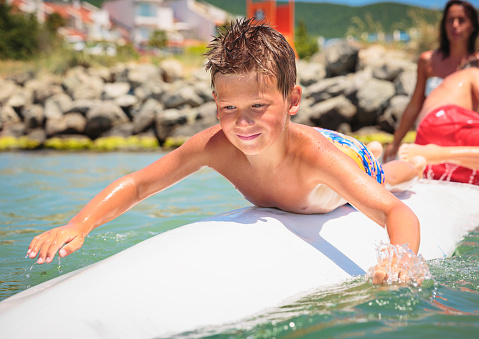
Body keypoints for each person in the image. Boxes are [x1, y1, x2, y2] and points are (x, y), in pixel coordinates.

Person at [27, 18, 425, 285]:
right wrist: (79, 224)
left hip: (345, 154)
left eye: (258, 106)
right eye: (229, 109)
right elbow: (138, 184)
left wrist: (399, 258)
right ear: (216, 103)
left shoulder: (315, 158)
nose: (243, 122)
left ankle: (418, 159)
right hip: (302, 138)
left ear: (292, 99)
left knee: (389, 176)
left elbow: (394, 211)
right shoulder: (216, 146)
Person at [384, 0, 479, 162]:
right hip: (430, 134)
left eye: (461, 20)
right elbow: (415, 103)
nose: (455, 25)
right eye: (450, 20)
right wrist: (395, 142)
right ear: (443, 24)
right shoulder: (428, 60)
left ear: (473, 26)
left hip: (462, 136)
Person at [398, 67, 479, 190]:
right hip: (445, 119)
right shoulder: (475, 72)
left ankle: (425, 162)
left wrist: (395, 143)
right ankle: (438, 154)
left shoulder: (446, 87)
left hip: (426, 135)